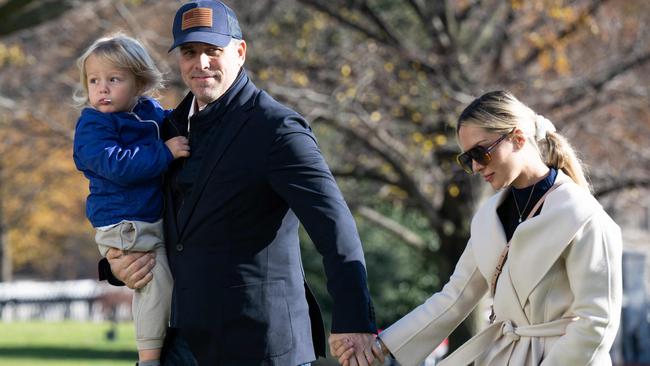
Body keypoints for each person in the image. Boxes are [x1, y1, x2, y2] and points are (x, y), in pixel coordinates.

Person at [97, 1, 378, 365]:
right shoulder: (165, 129)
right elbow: (139, 207)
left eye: (213, 51)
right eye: (189, 52)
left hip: (260, 344)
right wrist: (117, 264)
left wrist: (354, 318)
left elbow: (334, 225)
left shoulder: (278, 130)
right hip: (179, 341)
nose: (201, 63)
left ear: (240, 51)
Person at [338, 90, 623, 365]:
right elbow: (455, 297)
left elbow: (597, 323)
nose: (474, 167)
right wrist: (379, 346)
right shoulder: (489, 217)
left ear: (518, 138)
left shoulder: (584, 217)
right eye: (467, 159)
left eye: (480, 153)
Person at [73, 34, 190, 366]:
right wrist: (164, 152)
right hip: (124, 222)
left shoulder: (149, 112)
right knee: (156, 281)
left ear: (139, 82)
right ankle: (149, 358)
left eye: (113, 79)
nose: (102, 89)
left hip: (144, 216)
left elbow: (170, 123)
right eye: (94, 81)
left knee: (167, 280)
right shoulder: (93, 125)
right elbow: (117, 164)